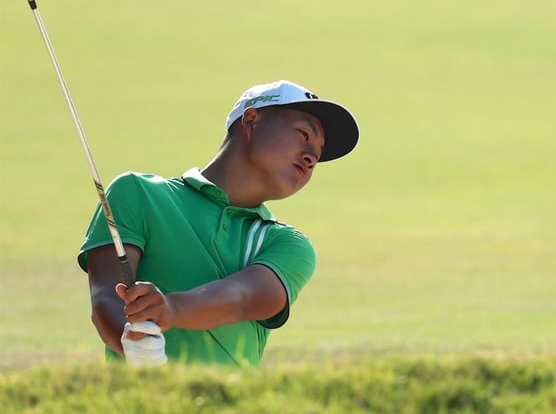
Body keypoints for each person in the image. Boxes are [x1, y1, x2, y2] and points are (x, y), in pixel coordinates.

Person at [77, 80, 359, 367]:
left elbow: (241, 299)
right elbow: (105, 298)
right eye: (303, 134)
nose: (312, 158)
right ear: (251, 120)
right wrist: (133, 346)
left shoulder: (288, 245)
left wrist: (170, 309)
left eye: (319, 153)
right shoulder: (137, 193)